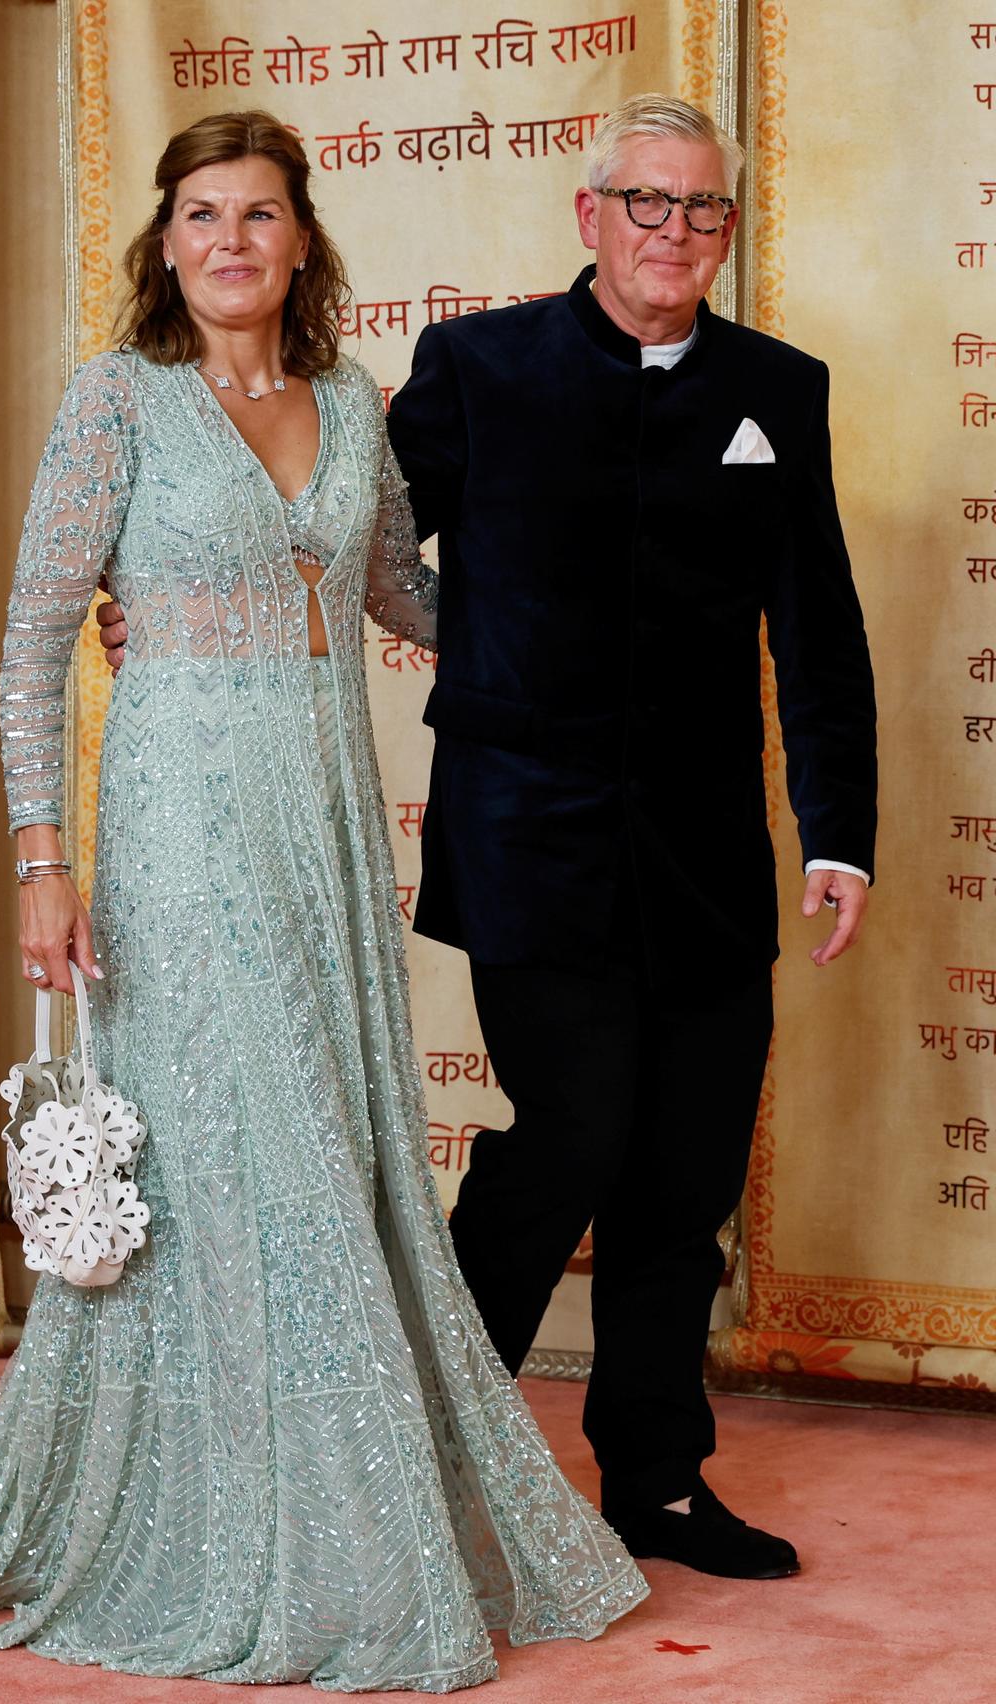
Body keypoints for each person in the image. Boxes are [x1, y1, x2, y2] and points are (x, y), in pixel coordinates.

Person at [0, 112, 646, 1688]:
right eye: (201, 213)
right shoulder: (115, 402)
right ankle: (260, 1524)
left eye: (258, 215)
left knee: (324, 1139)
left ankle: (339, 1497)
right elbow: (32, 645)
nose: (229, 241)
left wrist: (564, 564)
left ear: (300, 242)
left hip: (324, 820)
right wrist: (40, 858)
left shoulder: (351, 402)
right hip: (179, 824)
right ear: (166, 240)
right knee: (234, 1140)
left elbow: (406, 590)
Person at [104, 94, 877, 1583]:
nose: (673, 234)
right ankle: (433, 1460)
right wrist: (177, 599)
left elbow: (820, 632)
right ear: (590, 217)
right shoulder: (480, 367)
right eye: (645, 204)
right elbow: (343, 533)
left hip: (711, 855)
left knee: (687, 1175)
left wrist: (836, 832)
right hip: (533, 841)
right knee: (571, 1137)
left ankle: (653, 1481)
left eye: (702, 210)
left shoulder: (782, 389)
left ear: (725, 230)